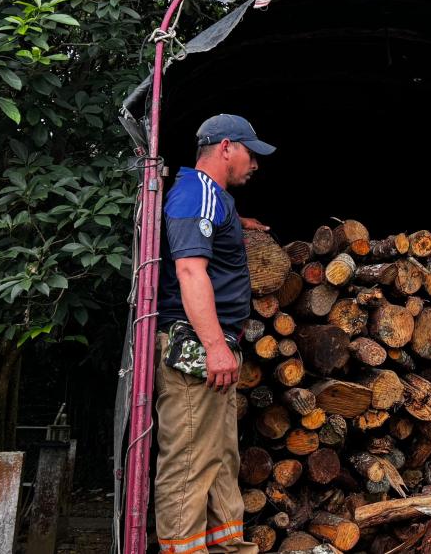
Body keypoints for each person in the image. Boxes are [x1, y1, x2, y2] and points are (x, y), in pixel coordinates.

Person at [153, 114, 274, 554]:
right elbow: (189, 270)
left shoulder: (211, 198)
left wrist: (235, 223)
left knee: (220, 459)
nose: (255, 164)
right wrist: (213, 345)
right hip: (196, 346)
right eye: (250, 153)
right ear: (225, 147)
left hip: (214, 346)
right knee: (189, 461)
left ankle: (229, 547)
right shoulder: (196, 193)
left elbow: (204, 228)